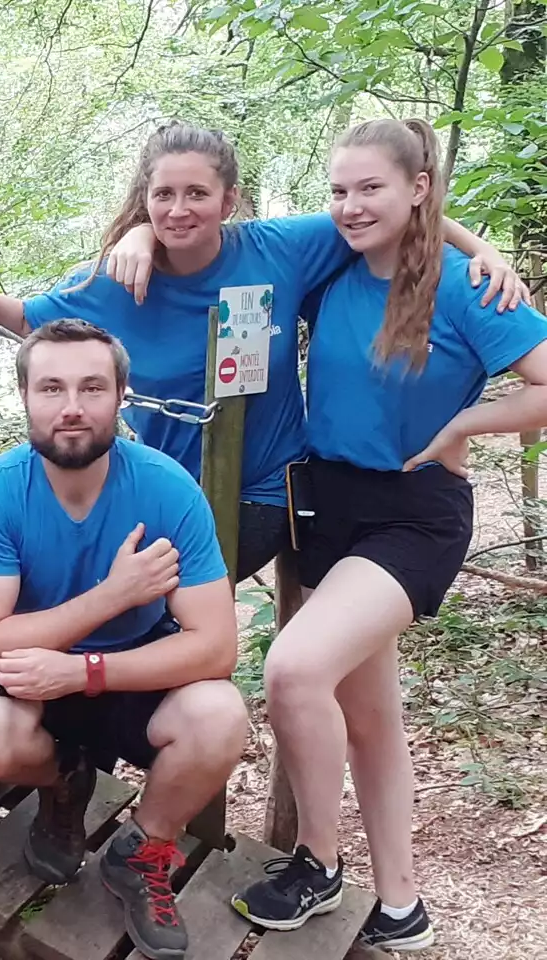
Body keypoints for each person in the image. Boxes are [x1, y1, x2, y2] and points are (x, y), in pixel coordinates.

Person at [0, 121, 528, 581]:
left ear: (230, 199)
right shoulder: (114, 281)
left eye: (197, 192)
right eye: (163, 195)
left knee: (159, 609)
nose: (179, 209)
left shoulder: (280, 250)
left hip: (265, 489)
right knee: (89, 592)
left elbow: (390, 212)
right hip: (160, 486)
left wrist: (487, 252)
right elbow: (26, 319)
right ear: (145, 199)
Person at [229, 119, 547, 952]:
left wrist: (463, 430)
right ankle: (402, 905)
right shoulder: (333, 264)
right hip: (325, 505)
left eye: (370, 187)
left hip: (414, 513)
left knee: (294, 669)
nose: (350, 205)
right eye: (338, 190)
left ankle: (317, 864)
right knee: (369, 715)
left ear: (416, 188)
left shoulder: (468, 286)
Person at [0, 319, 247, 960]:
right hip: (23, 674)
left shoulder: (167, 490)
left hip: (127, 666)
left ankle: (141, 850)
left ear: (121, 397)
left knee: (220, 715)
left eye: (91, 388)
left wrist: (84, 672)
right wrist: (112, 595)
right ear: (24, 397)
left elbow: (216, 647)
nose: (71, 407)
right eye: (51, 388)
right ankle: (64, 781)